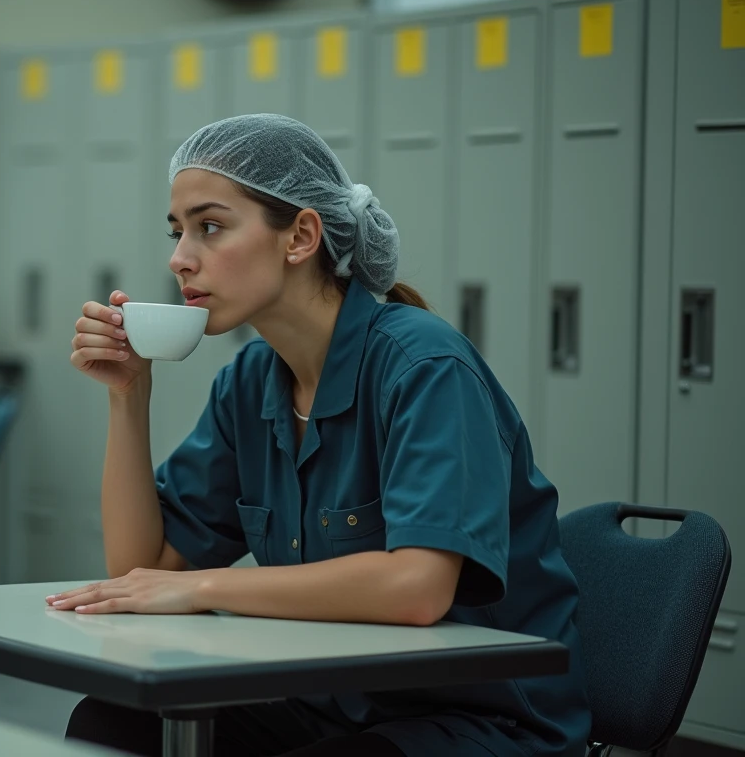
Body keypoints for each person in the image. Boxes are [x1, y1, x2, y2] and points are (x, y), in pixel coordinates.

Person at [54, 113, 590, 757]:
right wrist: (128, 395)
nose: (178, 258)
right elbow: (145, 569)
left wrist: (202, 588)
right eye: (177, 232)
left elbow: (416, 587)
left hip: (476, 719)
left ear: (301, 236)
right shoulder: (250, 382)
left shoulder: (424, 366)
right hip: (331, 706)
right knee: (113, 723)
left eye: (211, 227)